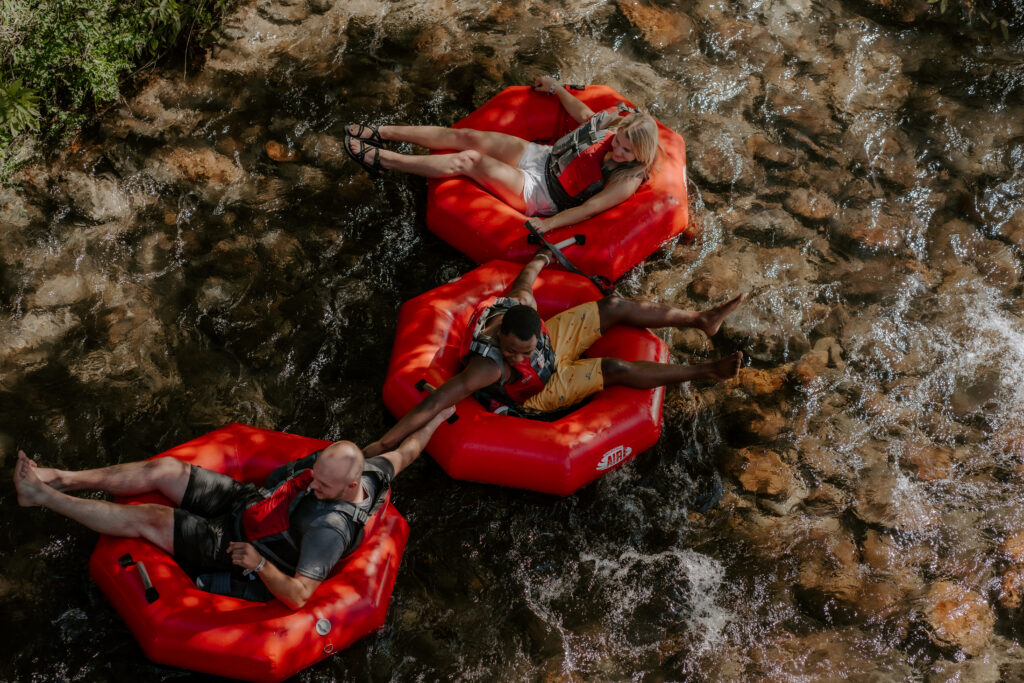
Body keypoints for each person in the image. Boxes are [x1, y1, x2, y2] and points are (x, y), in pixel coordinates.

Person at [13, 409, 453, 609]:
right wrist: (439, 416)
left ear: (351, 486)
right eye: (314, 474)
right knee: (165, 470)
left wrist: (260, 564)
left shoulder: (328, 530)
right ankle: (62, 476)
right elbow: (405, 452)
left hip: (239, 545)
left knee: (150, 519)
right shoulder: (368, 473)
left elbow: (300, 597)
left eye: (323, 484)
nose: (314, 484)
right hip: (248, 502)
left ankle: (44, 498)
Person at [363, 251, 744, 457]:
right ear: (502, 337)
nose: (515, 356)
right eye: (511, 349)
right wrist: (383, 443)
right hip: (537, 391)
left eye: (522, 350)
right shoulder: (490, 367)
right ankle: (707, 370)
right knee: (615, 367)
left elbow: (526, 278)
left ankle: (701, 319)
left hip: (552, 346)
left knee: (612, 305)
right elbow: (434, 404)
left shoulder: (520, 303)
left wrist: (544, 255)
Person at [344, 76, 660, 234]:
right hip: (544, 157)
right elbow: (585, 117)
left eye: (626, 150)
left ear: (640, 154)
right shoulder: (617, 125)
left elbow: (591, 208)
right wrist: (557, 88)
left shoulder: (627, 178)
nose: (617, 150)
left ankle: (383, 160)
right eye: (617, 142)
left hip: (543, 194)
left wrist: (548, 226)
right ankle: (380, 132)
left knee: (468, 159)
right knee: (466, 136)